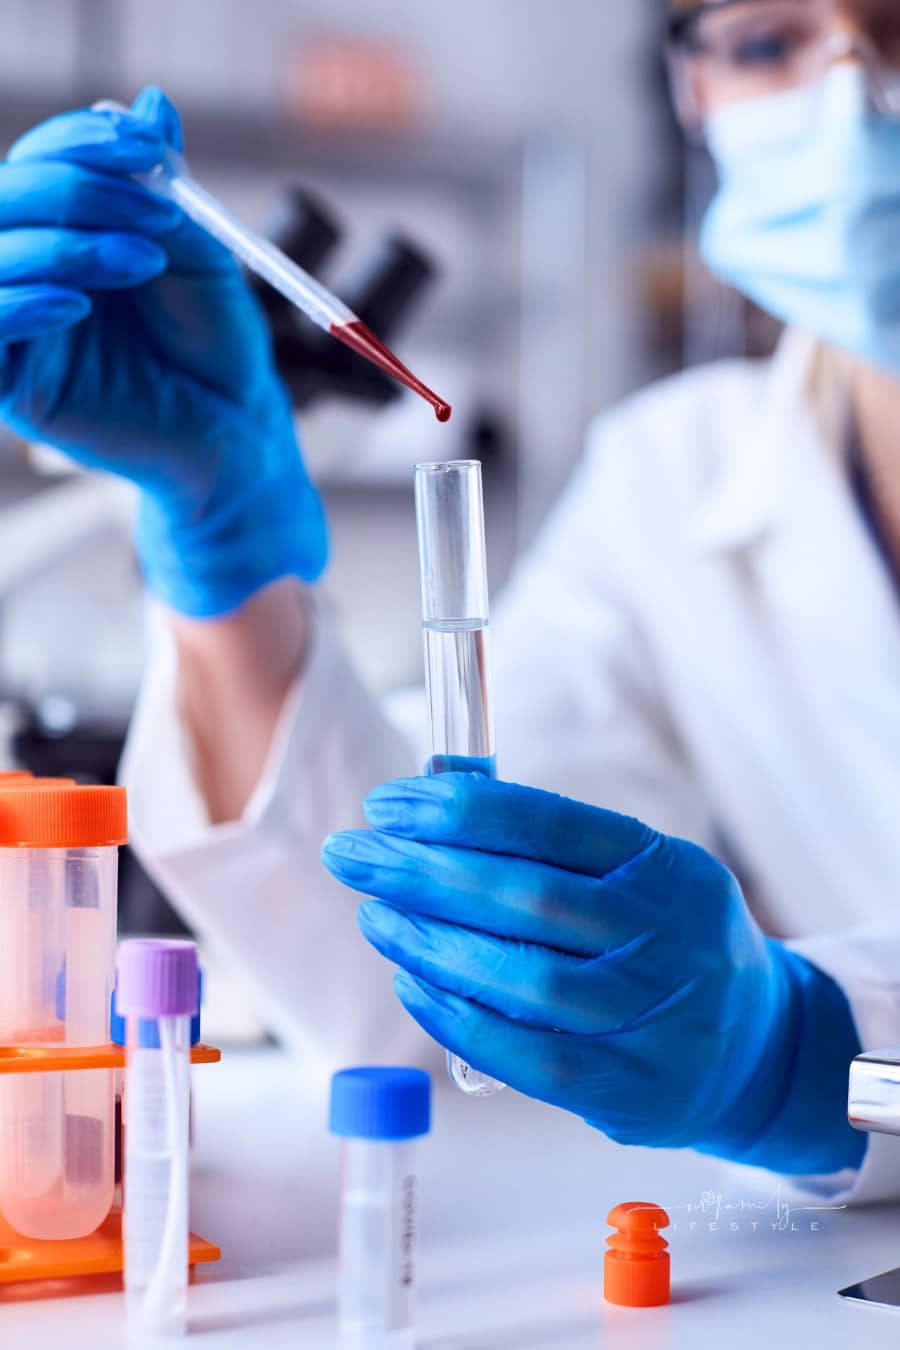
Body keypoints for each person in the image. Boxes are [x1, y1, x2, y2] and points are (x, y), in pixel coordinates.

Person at [0, 0, 898, 1200]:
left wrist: (813, 1056)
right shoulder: (671, 478)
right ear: (693, 92)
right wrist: (223, 540)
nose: (848, 98)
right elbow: (455, 993)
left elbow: (777, 1044)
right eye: (766, 39)